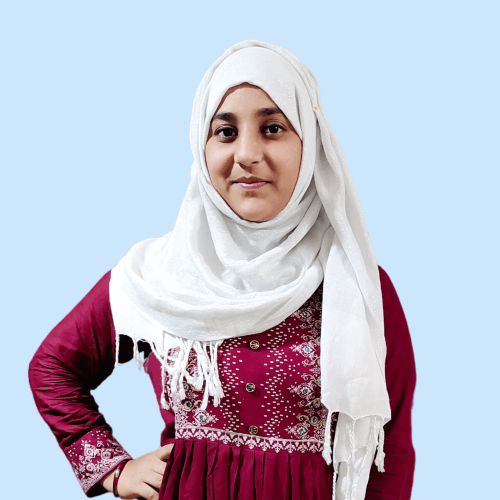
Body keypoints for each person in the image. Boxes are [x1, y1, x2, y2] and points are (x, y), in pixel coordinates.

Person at [29, 40, 416, 500]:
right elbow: (52, 368)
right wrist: (115, 470)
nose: (246, 153)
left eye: (273, 128)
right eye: (226, 132)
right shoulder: (158, 277)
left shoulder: (355, 285)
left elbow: (390, 447)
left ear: (311, 145)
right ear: (202, 144)